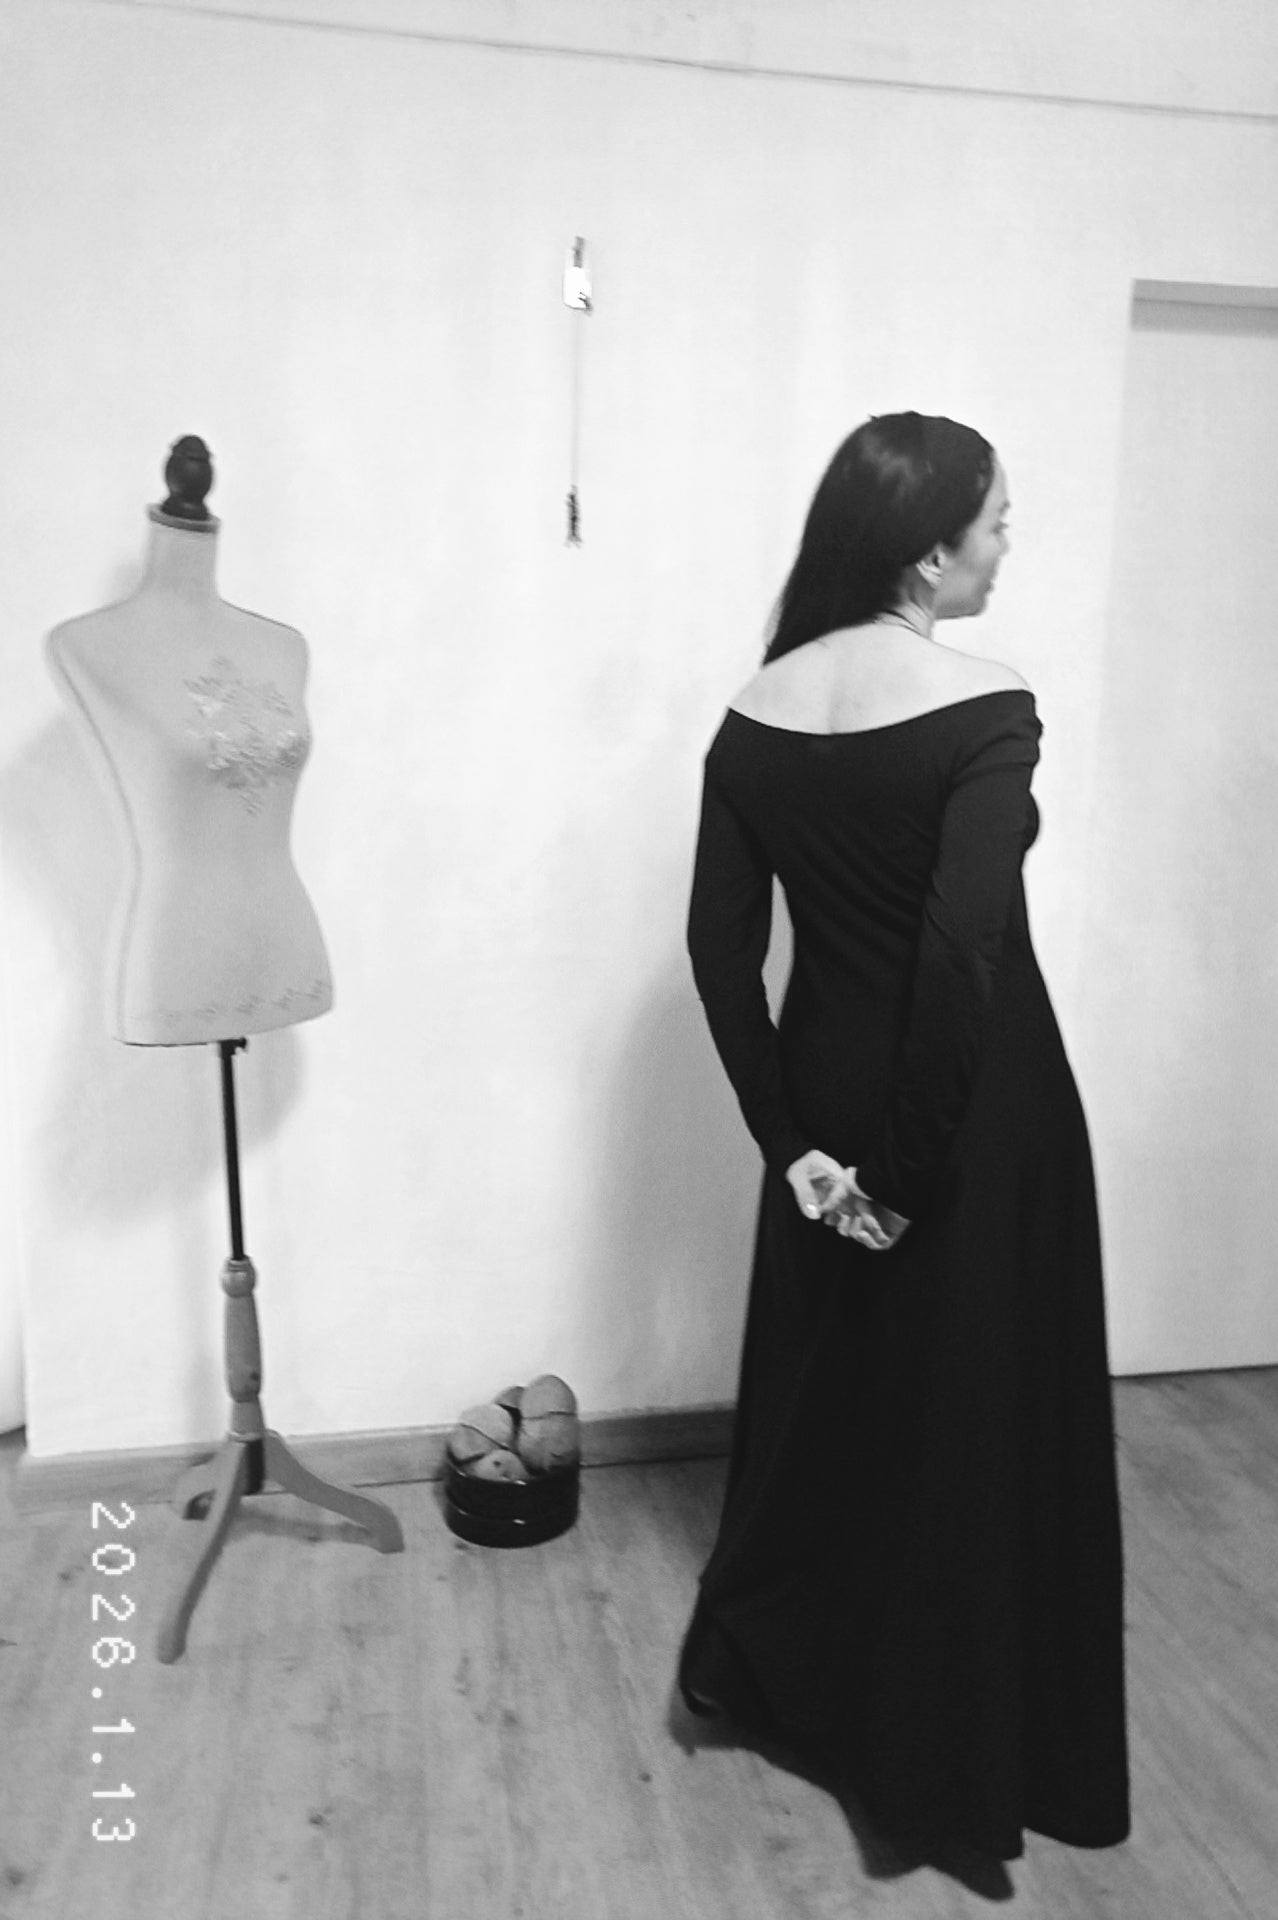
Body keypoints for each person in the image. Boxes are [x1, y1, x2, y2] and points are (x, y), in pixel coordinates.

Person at [677, 412, 1130, 1863]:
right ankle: (959, 1742)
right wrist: (911, 1175)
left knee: (849, 1405)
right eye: (996, 522)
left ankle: (811, 1684)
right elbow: (960, 958)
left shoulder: (755, 711)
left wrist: (795, 1149)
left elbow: (718, 954)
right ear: (929, 552)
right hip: (976, 1118)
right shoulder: (985, 704)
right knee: (969, 1419)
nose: (1006, 546)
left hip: (823, 1106)